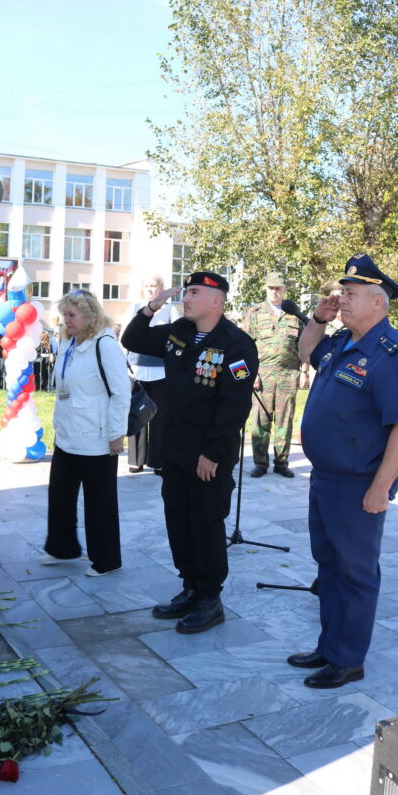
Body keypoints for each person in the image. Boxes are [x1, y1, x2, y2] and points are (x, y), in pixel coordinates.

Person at [289, 254, 398, 688]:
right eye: (342, 293)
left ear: (378, 302)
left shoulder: (392, 352)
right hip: (325, 478)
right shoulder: (343, 340)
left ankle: (348, 659)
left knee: (356, 572)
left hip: (357, 483)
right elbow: (307, 353)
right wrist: (317, 320)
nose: (341, 300)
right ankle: (329, 647)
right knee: (327, 566)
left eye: (350, 295)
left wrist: (381, 486)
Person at [122, 271, 258, 633]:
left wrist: (213, 454)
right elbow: (132, 338)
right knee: (178, 520)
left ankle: (210, 598)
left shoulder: (236, 343)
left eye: (194, 292)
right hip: (175, 448)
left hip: (208, 455)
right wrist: (154, 304)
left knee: (205, 523)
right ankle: (190, 588)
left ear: (217, 300)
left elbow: (234, 407)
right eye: (186, 292)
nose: (186, 297)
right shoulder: (178, 332)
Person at [42, 290, 130, 576]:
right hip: (68, 436)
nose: (66, 321)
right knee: (60, 495)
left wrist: (117, 434)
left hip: (97, 439)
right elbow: (63, 392)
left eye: (72, 315)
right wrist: (59, 428)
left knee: (99, 502)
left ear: (90, 316)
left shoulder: (104, 344)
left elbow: (120, 393)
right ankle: (62, 548)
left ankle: (106, 560)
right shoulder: (68, 343)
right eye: (64, 315)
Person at [243, 272, 309, 479]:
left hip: (288, 374)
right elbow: (245, 347)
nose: (274, 291)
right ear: (266, 288)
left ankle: (282, 463)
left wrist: (305, 371)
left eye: (278, 288)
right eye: (271, 288)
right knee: (260, 420)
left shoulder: (295, 315)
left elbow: (305, 346)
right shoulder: (254, 313)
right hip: (262, 375)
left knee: (285, 420)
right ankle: (260, 463)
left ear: (284, 290)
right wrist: (250, 374)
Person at [124, 275, 179, 475]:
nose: (150, 289)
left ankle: (158, 461)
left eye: (153, 286)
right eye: (146, 285)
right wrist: (124, 363)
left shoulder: (171, 310)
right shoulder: (135, 308)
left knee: (159, 417)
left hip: (161, 372)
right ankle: (135, 460)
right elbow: (126, 336)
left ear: (161, 288)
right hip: (136, 370)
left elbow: (177, 339)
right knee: (136, 414)